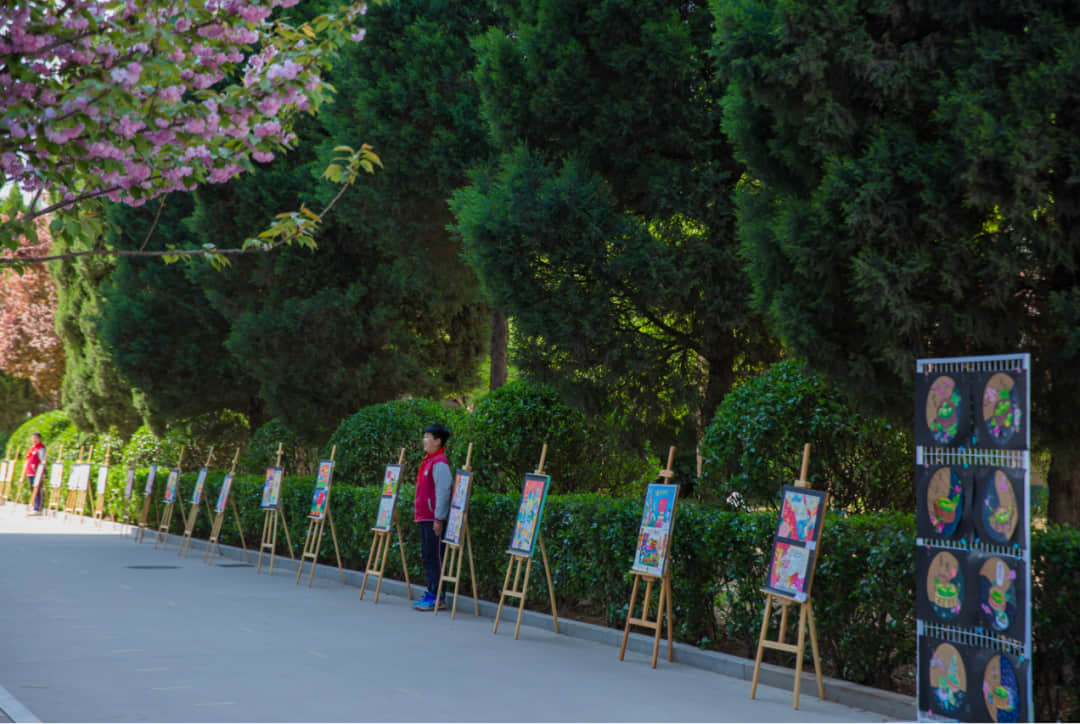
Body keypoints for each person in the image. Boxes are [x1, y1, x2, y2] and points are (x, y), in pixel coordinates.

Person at [412, 423, 452, 611]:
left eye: (428, 436)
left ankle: (438, 596)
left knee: (435, 557)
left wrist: (439, 518)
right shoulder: (429, 461)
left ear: (438, 441)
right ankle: (431, 591)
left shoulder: (440, 463)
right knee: (427, 555)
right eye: (425, 436)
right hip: (424, 517)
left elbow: (443, 491)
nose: (424, 440)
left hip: (432, 518)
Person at [23, 432, 46, 512]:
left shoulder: (41, 448)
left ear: (40, 439)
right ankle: (34, 506)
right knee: (32, 489)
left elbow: (43, 460)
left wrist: (42, 469)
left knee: (37, 489)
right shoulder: (33, 447)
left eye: (36, 438)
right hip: (30, 472)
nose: (34, 440)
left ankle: (38, 508)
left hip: (37, 472)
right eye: (33, 438)